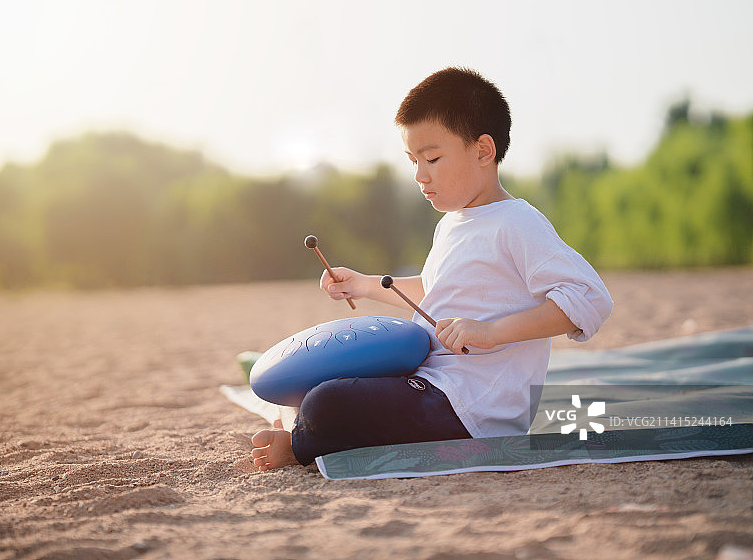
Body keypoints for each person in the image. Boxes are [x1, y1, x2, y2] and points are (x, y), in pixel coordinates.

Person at [251, 67, 613, 471]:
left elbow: (590, 299)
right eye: (413, 161)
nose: (420, 176)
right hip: (430, 384)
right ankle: (305, 423)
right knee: (320, 379)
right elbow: (437, 291)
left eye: (433, 159)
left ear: (482, 151)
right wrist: (365, 284)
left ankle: (297, 444)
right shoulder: (453, 223)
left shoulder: (517, 223)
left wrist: (492, 332)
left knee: (326, 402)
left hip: (471, 408)